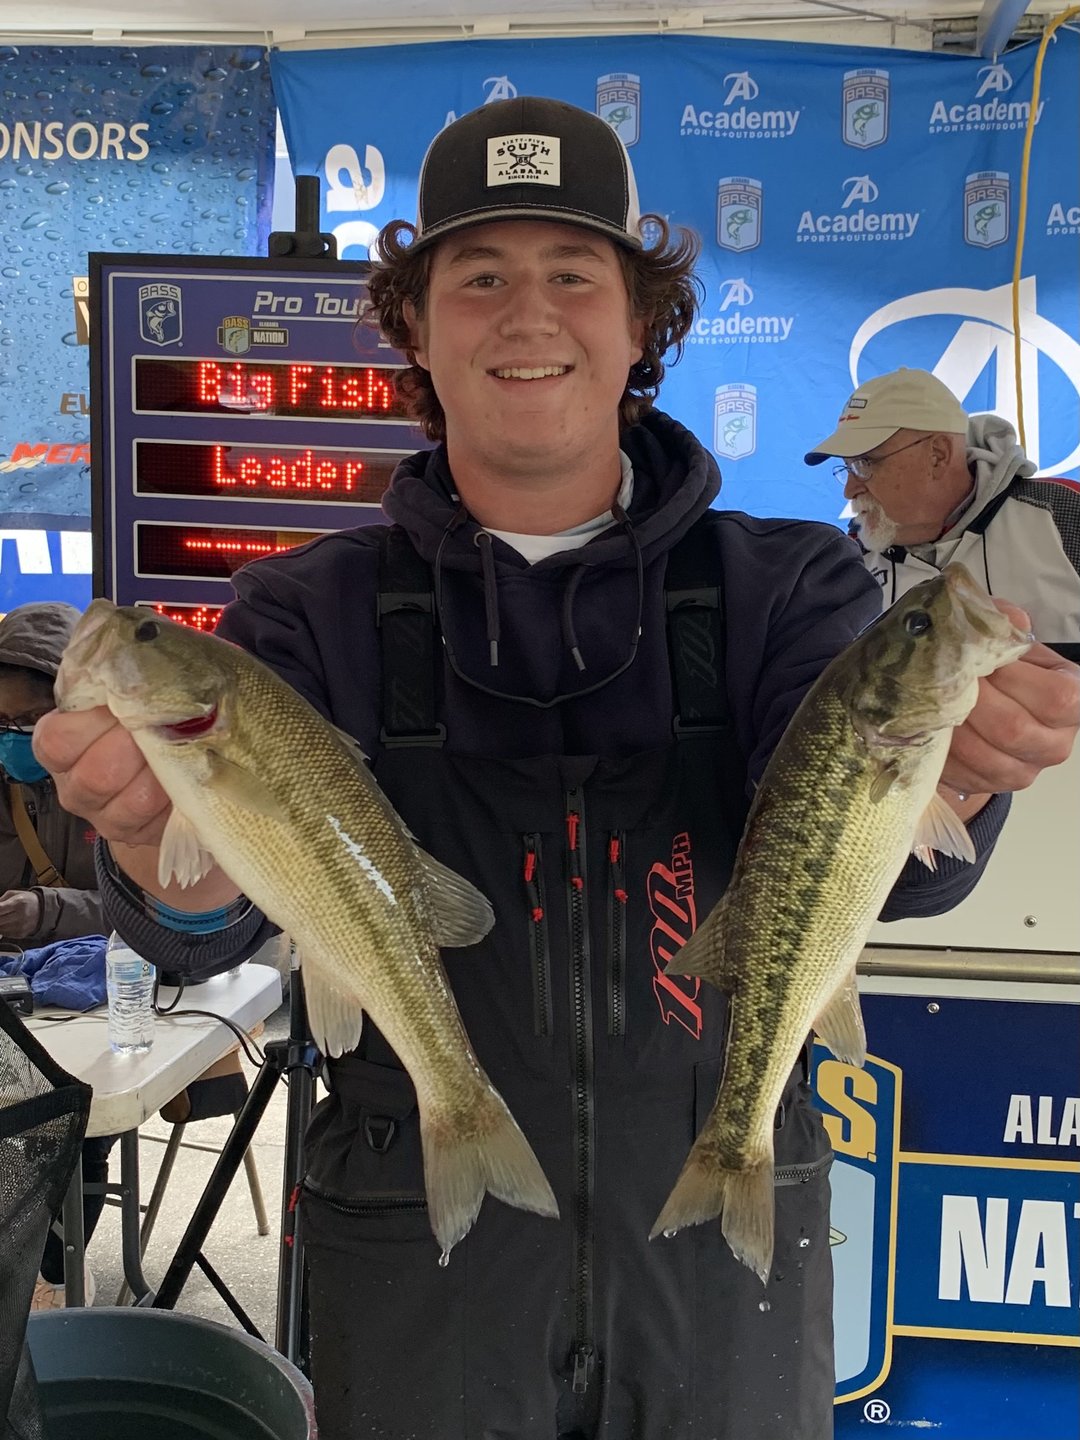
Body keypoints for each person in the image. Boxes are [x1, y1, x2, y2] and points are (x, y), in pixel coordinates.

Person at [35, 98, 1080, 1440]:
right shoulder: (301, 617)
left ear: (641, 324)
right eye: (478, 278)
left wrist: (971, 772)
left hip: (716, 1259)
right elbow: (210, 925)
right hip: (410, 1240)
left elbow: (877, 880)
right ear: (415, 327)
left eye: (573, 276)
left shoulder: (789, 588)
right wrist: (143, 848)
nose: (527, 315)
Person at [0, 601, 111, 1309]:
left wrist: (46, 911)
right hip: (17, 1002)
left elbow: (156, 912)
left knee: (83, 1124)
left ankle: (47, 1272)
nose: (13, 739)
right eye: (0, 723)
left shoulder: (119, 789)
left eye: (28, 722)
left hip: (112, 1007)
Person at [805, 367, 1080, 651]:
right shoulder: (850, 564)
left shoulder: (1063, 512)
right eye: (846, 467)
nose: (848, 490)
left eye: (864, 464)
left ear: (938, 455)